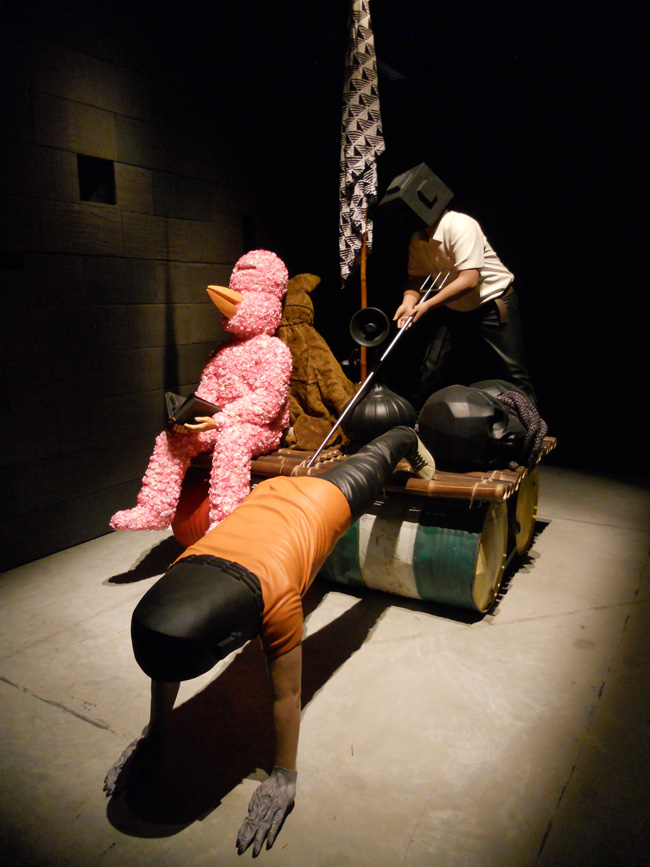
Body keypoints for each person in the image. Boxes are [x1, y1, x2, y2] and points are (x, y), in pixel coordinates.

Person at [104, 425, 435, 856]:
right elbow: (168, 657)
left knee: (377, 459)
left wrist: (284, 776)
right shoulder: (184, 568)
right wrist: (155, 733)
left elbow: (288, 694)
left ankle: (408, 435)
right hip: (263, 500)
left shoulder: (276, 597)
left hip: (319, 501)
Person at [392, 208, 537, 408]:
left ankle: (531, 422)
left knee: (513, 374)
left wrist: (426, 305)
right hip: (457, 307)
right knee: (432, 372)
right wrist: (408, 302)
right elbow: (416, 278)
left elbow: (468, 280)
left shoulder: (460, 225)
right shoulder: (418, 238)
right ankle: (426, 422)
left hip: (492, 303)